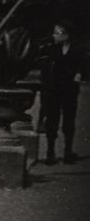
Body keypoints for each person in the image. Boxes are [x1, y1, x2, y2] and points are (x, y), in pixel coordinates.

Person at [39, 20, 86, 164]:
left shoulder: (77, 50)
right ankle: (50, 152)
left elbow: (84, 66)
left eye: (56, 33)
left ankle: (67, 151)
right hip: (54, 89)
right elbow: (44, 67)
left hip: (70, 89)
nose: (53, 36)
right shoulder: (51, 50)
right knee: (52, 119)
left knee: (69, 119)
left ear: (66, 35)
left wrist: (80, 75)